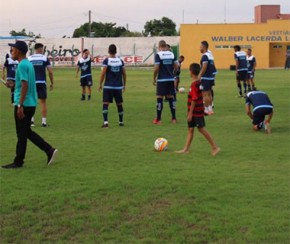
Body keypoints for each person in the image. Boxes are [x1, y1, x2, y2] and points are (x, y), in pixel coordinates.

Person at [1, 41, 57, 169]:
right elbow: (23, 85)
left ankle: (20, 161)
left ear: (19, 51)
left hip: (24, 104)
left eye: (13, 50)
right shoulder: (27, 64)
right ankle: (48, 150)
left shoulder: (21, 66)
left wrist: (20, 105)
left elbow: (25, 85)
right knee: (25, 132)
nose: (11, 52)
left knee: (22, 133)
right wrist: (13, 85)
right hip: (30, 103)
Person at [176, 63, 220, 156]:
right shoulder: (199, 82)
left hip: (196, 112)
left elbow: (194, 99)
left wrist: (190, 113)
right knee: (190, 129)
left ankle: (215, 147)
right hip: (196, 111)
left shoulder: (194, 85)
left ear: (191, 72)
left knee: (201, 129)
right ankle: (186, 149)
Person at [99, 44, 126, 128]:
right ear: (116, 51)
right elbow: (124, 74)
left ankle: (106, 122)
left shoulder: (107, 61)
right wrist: (124, 84)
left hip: (108, 86)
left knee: (105, 104)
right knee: (119, 104)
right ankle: (121, 122)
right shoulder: (120, 61)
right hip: (118, 87)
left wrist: (100, 84)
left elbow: (103, 73)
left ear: (108, 51)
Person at [153, 40, 179, 124]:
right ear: (165, 46)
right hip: (170, 79)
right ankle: (174, 118)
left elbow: (156, 68)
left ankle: (159, 119)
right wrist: (173, 74)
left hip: (161, 79)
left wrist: (154, 78)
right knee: (171, 97)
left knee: (159, 98)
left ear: (159, 46)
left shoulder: (158, 55)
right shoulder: (171, 54)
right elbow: (177, 66)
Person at [28, 43, 54, 127]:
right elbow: (50, 71)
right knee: (43, 102)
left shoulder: (29, 58)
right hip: (41, 82)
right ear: (40, 49)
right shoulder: (44, 58)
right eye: (42, 49)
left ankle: (31, 121)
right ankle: (44, 122)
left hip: (32, 82)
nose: (43, 50)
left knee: (31, 101)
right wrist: (52, 82)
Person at [197, 41, 215, 115]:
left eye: (200, 47)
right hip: (210, 77)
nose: (199, 48)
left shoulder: (205, 56)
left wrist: (200, 75)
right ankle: (210, 109)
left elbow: (204, 67)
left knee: (205, 94)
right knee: (209, 93)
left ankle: (206, 110)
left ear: (204, 47)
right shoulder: (210, 55)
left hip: (205, 77)